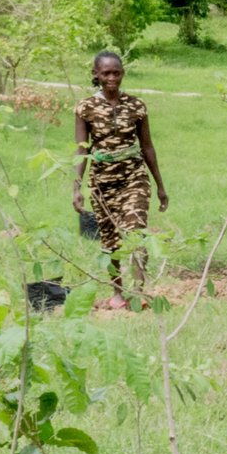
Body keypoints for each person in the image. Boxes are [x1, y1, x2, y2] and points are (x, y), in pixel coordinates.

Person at [71, 52, 168, 306]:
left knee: (136, 231)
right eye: (106, 73)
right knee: (110, 238)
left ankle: (138, 290)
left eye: (116, 72)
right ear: (96, 75)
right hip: (102, 182)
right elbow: (81, 148)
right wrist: (76, 188)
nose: (111, 78)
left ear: (122, 73)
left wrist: (160, 185)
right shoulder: (86, 108)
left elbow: (147, 146)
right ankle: (117, 292)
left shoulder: (136, 106)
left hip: (134, 176)